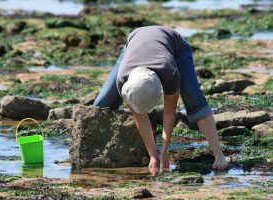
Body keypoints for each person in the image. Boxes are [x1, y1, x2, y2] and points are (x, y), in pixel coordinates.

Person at [93, 25, 228, 173]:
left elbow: (169, 113)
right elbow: (140, 118)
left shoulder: (170, 74)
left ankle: (219, 155)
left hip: (175, 46)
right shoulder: (123, 81)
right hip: (133, 41)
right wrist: (153, 155)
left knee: (194, 99)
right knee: (100, 105)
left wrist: (163, 153)